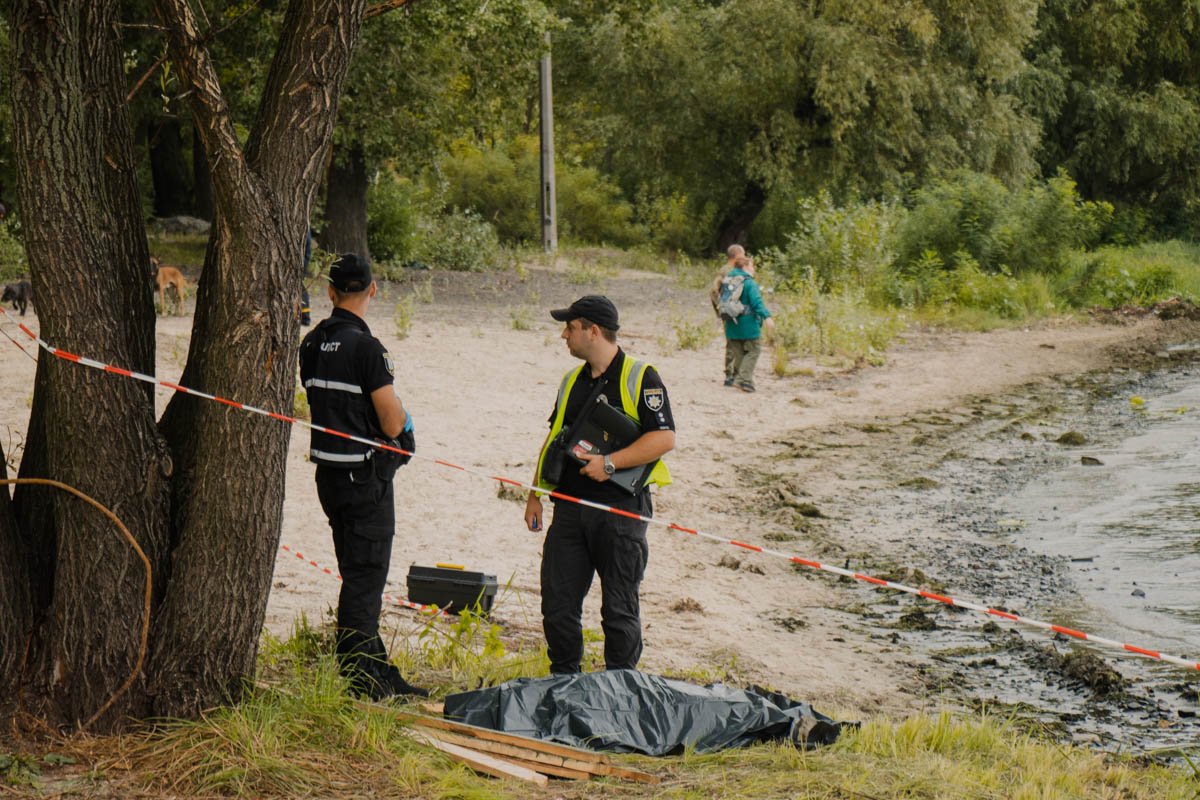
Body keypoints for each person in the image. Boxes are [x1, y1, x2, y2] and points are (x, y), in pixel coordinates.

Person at [523, 295, 676, 674]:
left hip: (620, 512)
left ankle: (620, 686)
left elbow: (664, 439)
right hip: (569, 508)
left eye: (570, 328)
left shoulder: (642, 377)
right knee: (557, 604)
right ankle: (563, 679)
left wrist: (610, 464)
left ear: (593, 331)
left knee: (619, 608)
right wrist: (535, 494)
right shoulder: (570, 381)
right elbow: (555, 438)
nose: (564, 335)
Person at [299, 253, 426, 700]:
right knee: (365, 579)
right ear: (372, 289)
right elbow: (391, 423)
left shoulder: (311, 344)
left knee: (355, 574)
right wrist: (404, 419)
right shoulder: (368, 349)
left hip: (328, 476)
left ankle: (376, 667)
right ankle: (361, 678)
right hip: (363, 478)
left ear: (330, 292)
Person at [722, 255, 775, 392]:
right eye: (752, 265)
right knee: (754, 350)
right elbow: (756, 302)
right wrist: (767, 317)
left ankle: (742, 380)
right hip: (748, 324)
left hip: (731, 324)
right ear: (745, 267)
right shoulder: (749, 283)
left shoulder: (727, 280)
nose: (753, 268)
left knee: (739, 353)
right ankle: (744, 380)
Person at [708, 243, 745, 316]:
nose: (744, 258)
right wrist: (722, 306)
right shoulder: (727, 271)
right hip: (731, 312)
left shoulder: (728, 269)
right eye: (743, 255)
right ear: (738, 255)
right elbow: (713, 291)